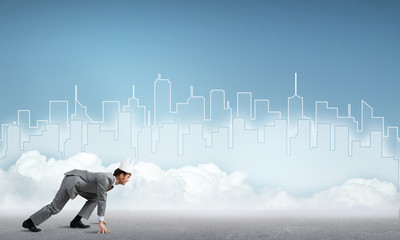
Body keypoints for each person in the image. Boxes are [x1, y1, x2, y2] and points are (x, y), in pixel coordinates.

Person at [22, 158, 134, 234]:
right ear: (122, 175)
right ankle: (29, 222)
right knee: (55, 207)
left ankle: (76, 221)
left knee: (94, 198)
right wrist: (100, 221)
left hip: (81, 186)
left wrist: (101, 217)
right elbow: (102, 198)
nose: (128, 180)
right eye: (128, 177)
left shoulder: (110, 182)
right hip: (72, 181)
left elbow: (100, 197)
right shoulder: (107, 178)